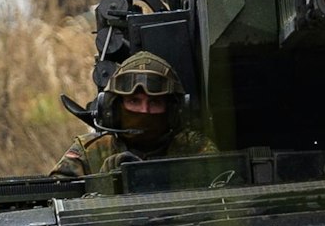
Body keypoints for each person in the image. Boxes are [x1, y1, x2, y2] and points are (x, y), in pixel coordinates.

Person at [53, 51, 214, 178]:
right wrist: (103, 185)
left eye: (155, 102)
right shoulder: (90, 152)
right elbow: (53, 203)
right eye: (134, 101)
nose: (144, 111)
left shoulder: (195, 149)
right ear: (114, 108)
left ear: (173, 111)